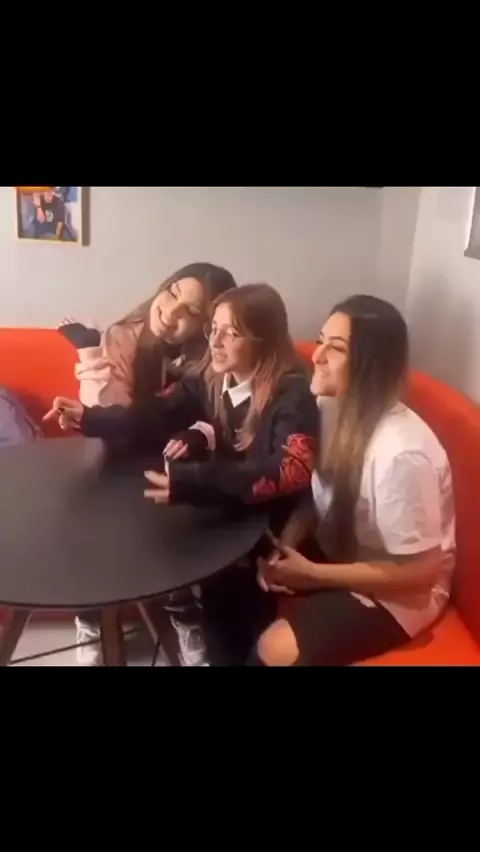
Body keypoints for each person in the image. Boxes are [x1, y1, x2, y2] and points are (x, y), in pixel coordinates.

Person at [45, 283, 319, 665]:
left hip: (276, 536)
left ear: (263, 341)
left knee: (242, 627)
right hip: (230, 518)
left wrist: (196, 481)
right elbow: (155, 413)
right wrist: (89, 418)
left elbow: (290, 472)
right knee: (211, 611)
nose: (215, 342)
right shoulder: (211, 376)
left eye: (231, 333)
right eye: (214, 329)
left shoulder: (292, 392)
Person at [252, 294, 456, 666]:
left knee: (273, 650)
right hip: (341, 551)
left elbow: (422, 574)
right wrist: (288, 543)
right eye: (321, 341)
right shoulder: (329, 405)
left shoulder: (401, 454)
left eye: (337, 348)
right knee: (241, 570)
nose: (317, 356)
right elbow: (320, 495)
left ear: (370, 366)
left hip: (398, 595)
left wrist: (313, 574)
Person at [55, 262, 237, 665]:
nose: (170, 312)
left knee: (177, 512)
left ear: (207, 327)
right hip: (115, 447)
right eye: (172, 293)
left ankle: (185, 614)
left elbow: (217, 418)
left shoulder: (212, 357)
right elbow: (109, 415)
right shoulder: (126, 335)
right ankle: (90, 619)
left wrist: (194, 435)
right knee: (93, 511)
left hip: (172, 456)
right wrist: (92, 357)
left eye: (191, 311)